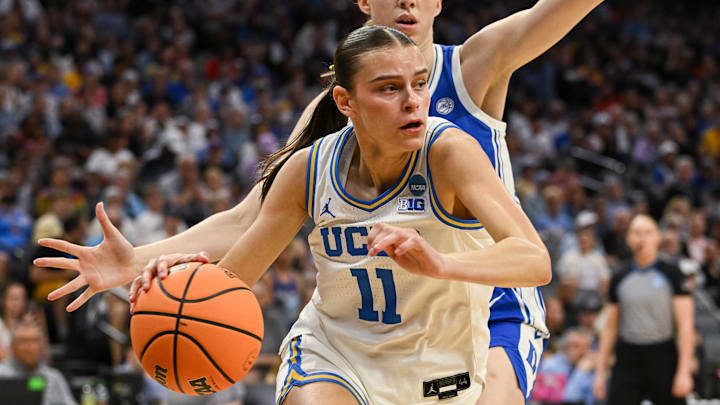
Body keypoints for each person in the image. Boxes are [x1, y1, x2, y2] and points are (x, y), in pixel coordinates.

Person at [36, 1, 604, 402]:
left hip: (489, 299)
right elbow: (248, 220)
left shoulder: (473, 66)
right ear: (363, 4)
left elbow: (557, 10)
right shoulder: (326, 123)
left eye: (417, 87)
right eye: (388, 87)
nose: (407, 0)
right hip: (362, 324)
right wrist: (141, 262)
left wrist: (442, 261)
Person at [593, 214, 695, 405]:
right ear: (628, 239)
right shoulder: (619, 275)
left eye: (648, 232)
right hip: (628, 356)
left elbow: (685, 326)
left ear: (658, 237)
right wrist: (600, 373)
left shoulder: (673, 273)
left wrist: (684, 371)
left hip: (663, 356)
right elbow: (610, 327)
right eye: (637, 233)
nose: (642, 238)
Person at [0, 320, 77, 405]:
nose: (29, 346)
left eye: (34, 340)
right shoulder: (2, 374)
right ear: (12, 346)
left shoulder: (54, 377)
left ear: (41, 346)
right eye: (23, 341)